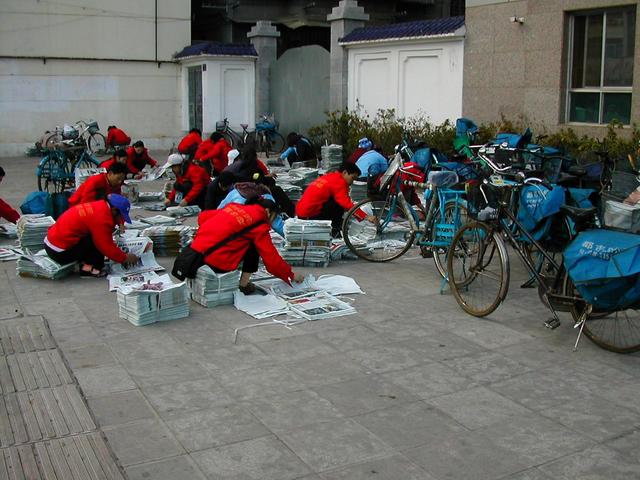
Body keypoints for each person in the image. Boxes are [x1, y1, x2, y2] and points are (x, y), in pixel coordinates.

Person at [192, 197, 303, 294]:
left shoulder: (234, 207)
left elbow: (202, 217)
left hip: (195, 254)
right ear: (268, 212)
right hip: (217, 261)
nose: (271, 222)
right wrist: (291, 275)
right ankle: (243, 285)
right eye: (273, 218)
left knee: (243, 238)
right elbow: (271, 259)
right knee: (254, 246)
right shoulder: (259, 225)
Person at [44, 194, 139, 278]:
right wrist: (124, 257)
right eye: (121, 216)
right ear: (114, 210)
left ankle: (85, 263)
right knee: (97, 241)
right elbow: (105, 246)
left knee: (96, 237)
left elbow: (110, 219)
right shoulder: (102, 218)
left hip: (51, 243)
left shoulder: (100, 206)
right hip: (59, 252)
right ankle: (89, 269)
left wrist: (120, 222)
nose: (122, 219)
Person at [296, 162, 375, 237]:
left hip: (301, 212)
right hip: (309, 215)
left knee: (337, 203)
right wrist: (366, 217)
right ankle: (335, 231)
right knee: (339, 205)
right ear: (344, 173)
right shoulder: (340, 182)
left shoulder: (330, 176)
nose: (352, 182)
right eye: (352, 178)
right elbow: (346, 203)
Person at [224, 146, 295, 217]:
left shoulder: (237, 166)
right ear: (255, 156)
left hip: (238, 191)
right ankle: (291, 213)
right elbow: (258, 179)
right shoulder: (253, 167)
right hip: (252, 194)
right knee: (276, 190)